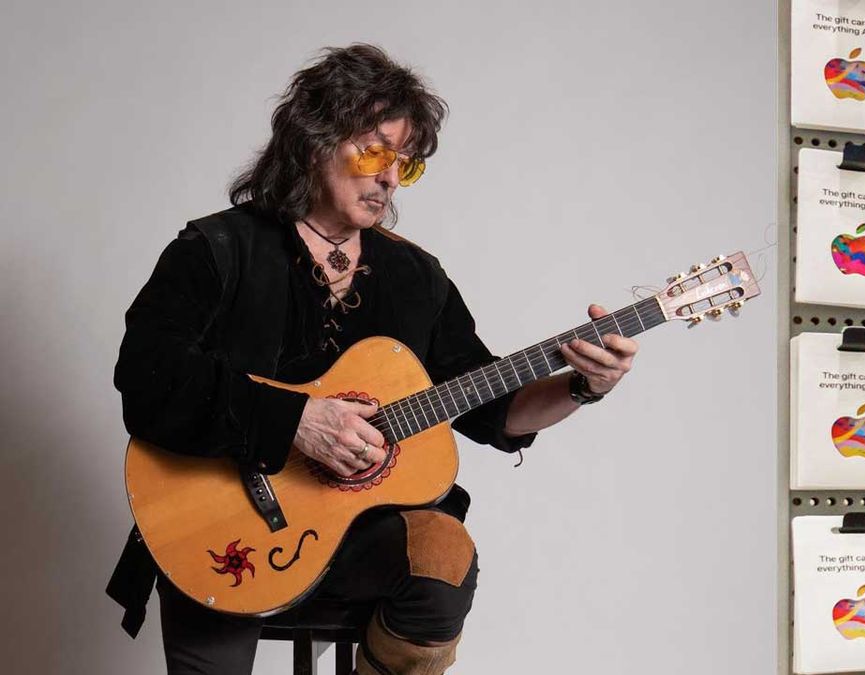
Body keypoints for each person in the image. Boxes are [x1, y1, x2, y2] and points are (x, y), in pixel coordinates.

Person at [105, 44, 639, 675]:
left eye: (406, 165)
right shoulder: (217, 250)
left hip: (360, 539)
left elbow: (493, 410)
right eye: (376, 151)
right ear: (312, 140)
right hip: (220, 532)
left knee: (443, 556)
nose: (390, 177)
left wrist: (581, 387)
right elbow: (147, 376)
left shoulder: (415, 276)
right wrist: (298, 420)